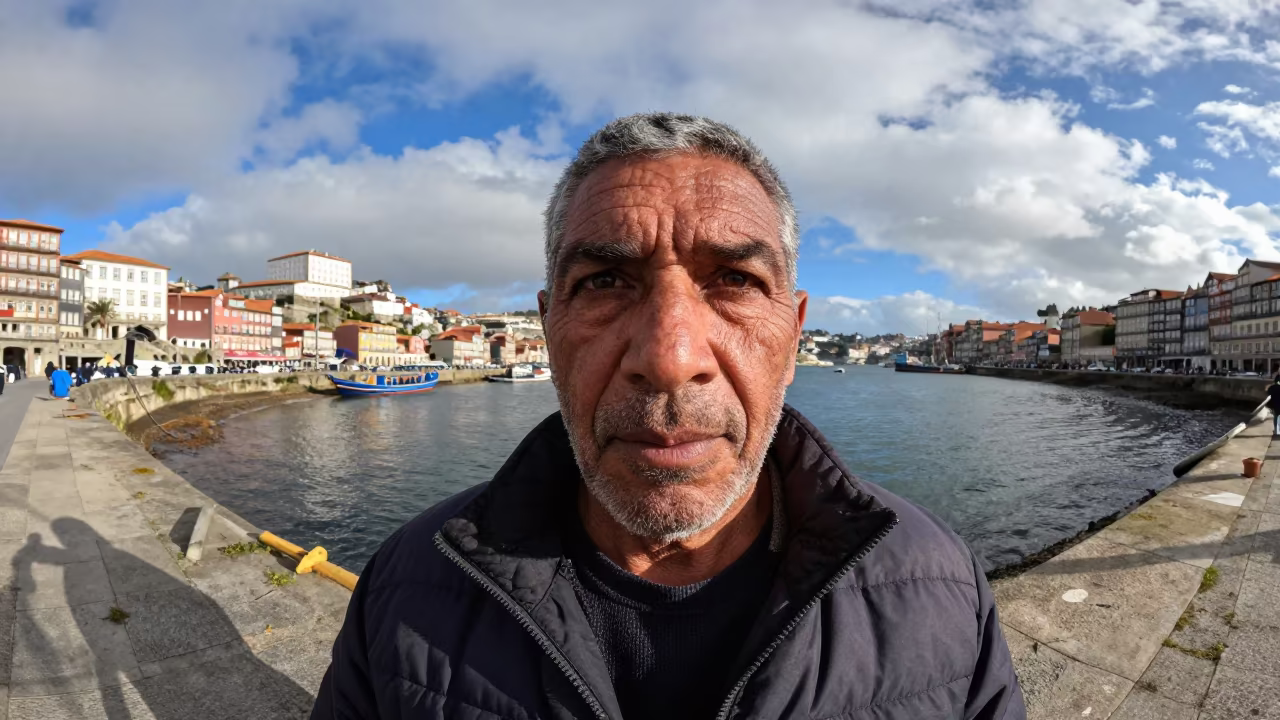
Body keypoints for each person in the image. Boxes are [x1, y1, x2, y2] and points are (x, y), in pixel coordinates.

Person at [311, 114, 1025, 720]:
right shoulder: (406, 583)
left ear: (794, 334)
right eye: (606, 282)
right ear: (549, 325)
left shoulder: (941, 587)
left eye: (736, 282)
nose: (670, 356)